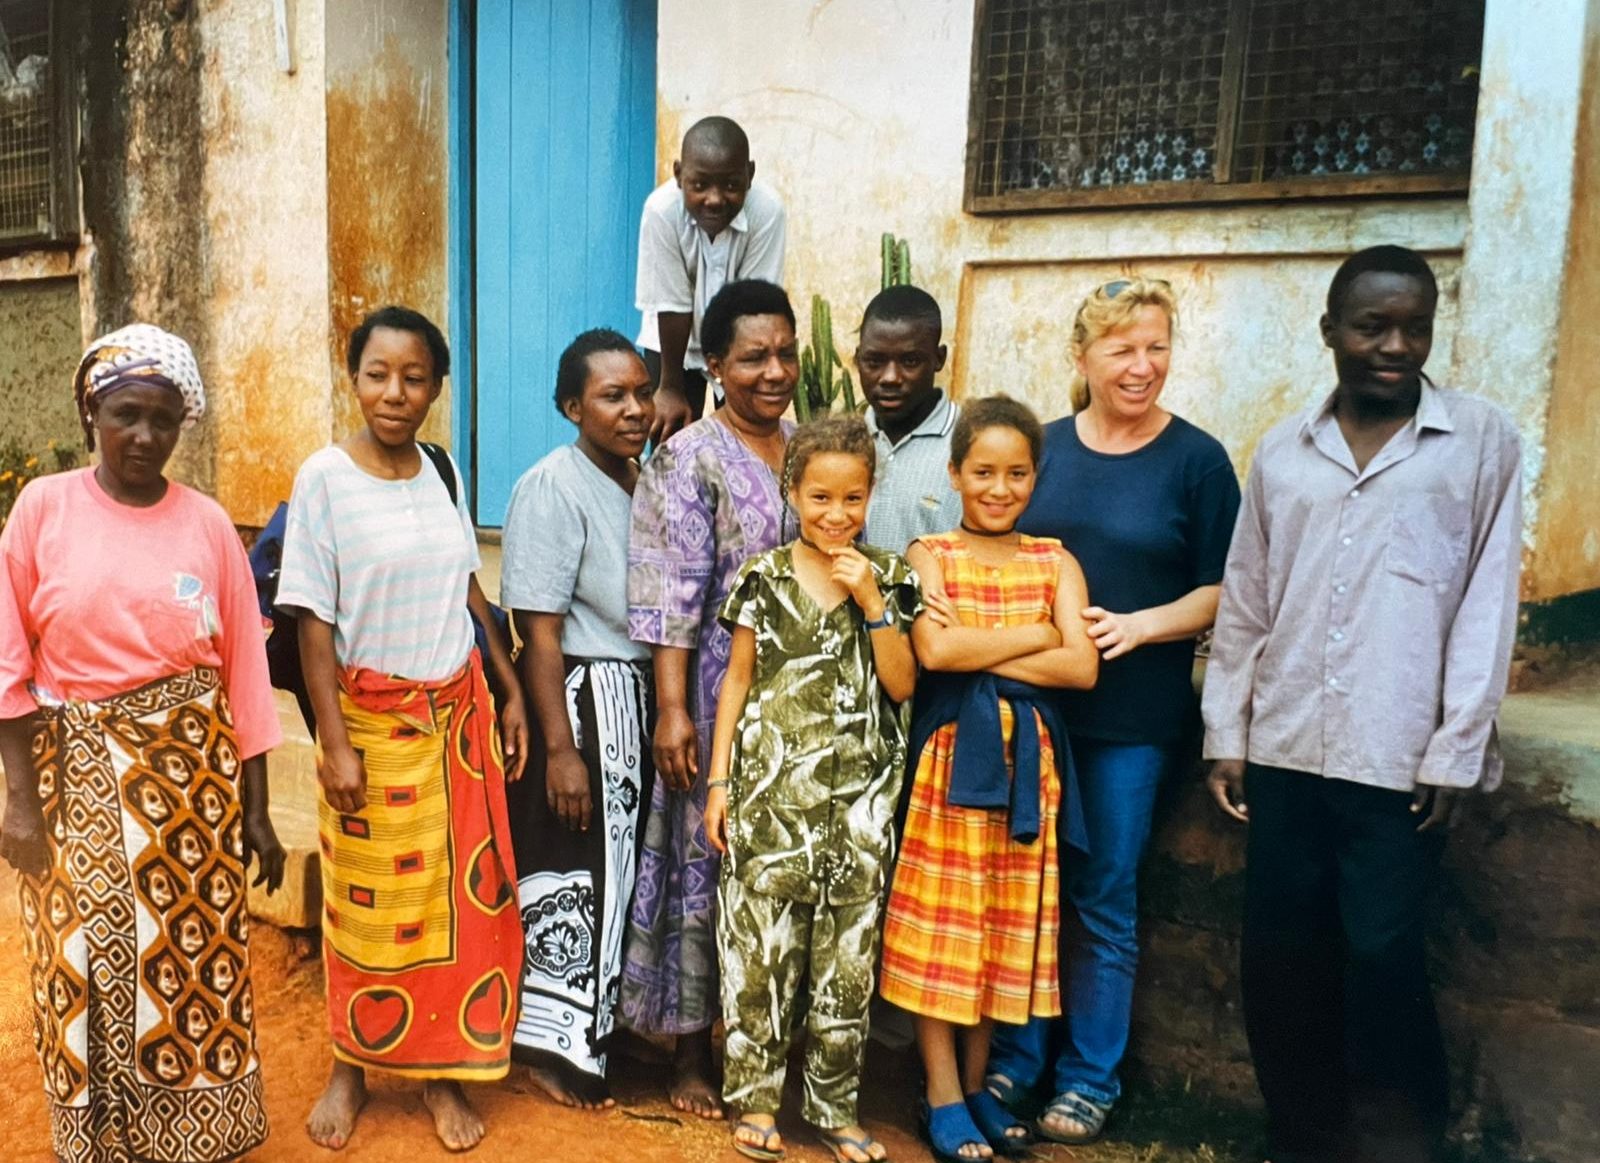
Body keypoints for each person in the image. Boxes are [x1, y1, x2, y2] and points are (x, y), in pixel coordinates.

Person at [1201, 246, 1522, 1163]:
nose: (1395, 345)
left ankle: (1397, 1144)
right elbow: (1248, 596)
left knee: (1383, 957)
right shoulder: (1284, 450)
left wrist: (1457, 745)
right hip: (1288, 745)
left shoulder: (1480, 441)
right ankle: (1302, 1138)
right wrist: (1227, 729)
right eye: (1373, 326)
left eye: (1414, 327)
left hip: (1398, 753)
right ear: (1330, 331)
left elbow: (1489, 599)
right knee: (1281, 958)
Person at [0, 324, 286, 1163]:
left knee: (191, 960)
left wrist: (257, 811)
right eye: (127, 414)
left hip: (191, 784)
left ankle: (191, 1136)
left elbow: (244, 671)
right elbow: (9, 658)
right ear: (92, 413)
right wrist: (19, 802)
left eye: (164, 420)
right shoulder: (43, 508)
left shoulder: (207, 523)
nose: (144, 436)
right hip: (71, 775)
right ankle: (97, 1139)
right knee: (78, 961)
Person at [986, 276, 1241, 1142]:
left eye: (1157, 347)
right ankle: (1017, 1057)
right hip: (1036, 709)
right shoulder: (1045, 448)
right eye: (1122, 348)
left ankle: (1090, 1076)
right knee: (1029, 884)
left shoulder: (1197, 461)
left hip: (1132, 718)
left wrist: (1140, 625)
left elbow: (1227, 586)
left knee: (1103, 891)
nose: (1142, 366)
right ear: (1083, 355)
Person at [279, 306, 529, 1153]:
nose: (395, 392)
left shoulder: (442, 470)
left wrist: (509, 689)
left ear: (436, 387)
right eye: (378, 374)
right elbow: (313, 622)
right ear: (353, 377)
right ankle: (350, 1067)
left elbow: (468, 588)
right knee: (367, 910)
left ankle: (440, 1074)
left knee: (457, 912)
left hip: (457, 725)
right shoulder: (324, 479)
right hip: (372, 732)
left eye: (414, 377)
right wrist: (333, 743)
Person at [879, 396, 1099, 1163]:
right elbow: (935, 653)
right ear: (954, 473)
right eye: (983, 472)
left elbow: (1082, 665)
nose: (999, 488)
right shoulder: (930, 554)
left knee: (999, 923)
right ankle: (941, 1093)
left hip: (1028, 773)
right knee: (946, 925)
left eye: (1016, 473)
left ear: (1035, 477)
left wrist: (986, 646)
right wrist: (1040, 631)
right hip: (951, 766)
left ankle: (978, 1087)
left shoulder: (1056, 560)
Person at [705, 416, 920, 1163]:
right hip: (769, 802)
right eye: (821, 496)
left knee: (846, 968)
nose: (836, 513)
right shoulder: (761, 578)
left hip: (859, 811)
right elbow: (737, 682)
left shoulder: (891, 577)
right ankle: (757, 1101)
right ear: (792, 492)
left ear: (870, 496)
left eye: (852, 498)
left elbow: (903, 685)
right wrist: (719, 783)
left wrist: (873, 604)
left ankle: (833, 1108)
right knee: (759, 956)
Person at [622, 278, 799, 1119]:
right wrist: (672, 709)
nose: (775, 371)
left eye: (786, 353)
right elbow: (670, 593)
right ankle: (691, 1050)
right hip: (709, 691)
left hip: (797, 698)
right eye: (754, 356)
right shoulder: (688, 456)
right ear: (717, 365)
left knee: (774, 866)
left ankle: (763, 1042)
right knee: (702, 861)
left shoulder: (807, 446)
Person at [498, 329, 657, 1109]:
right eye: (611, 396)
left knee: (621, 874)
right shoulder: (551, 487)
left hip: (638, 697)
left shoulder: (643, 477)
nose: (634, 409)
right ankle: (552, 1047)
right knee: (573, 871)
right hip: (587, 700)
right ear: (572, 407)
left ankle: (604, 1024)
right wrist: (561, 748)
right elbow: (539, 629)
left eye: (641, 392)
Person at [636, 116, 786, 442]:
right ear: (679, 175)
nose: (715, 199)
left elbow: (752, 305)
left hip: (739, 338)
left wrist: (740, 378)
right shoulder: (661, 210)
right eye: (700, 185)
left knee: (743, 442)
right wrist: (670, 388)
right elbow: (672, 302)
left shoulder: (767, 210)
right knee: (670, 442)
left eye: (731, 185)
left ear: (749, 175)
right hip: (670, 342)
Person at [857, 284, 963, 554]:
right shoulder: (844, 442)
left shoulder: (970, 443)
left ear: (939, 359)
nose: (890, 377)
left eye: (910, 361)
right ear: (858, 359)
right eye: (874, 362)